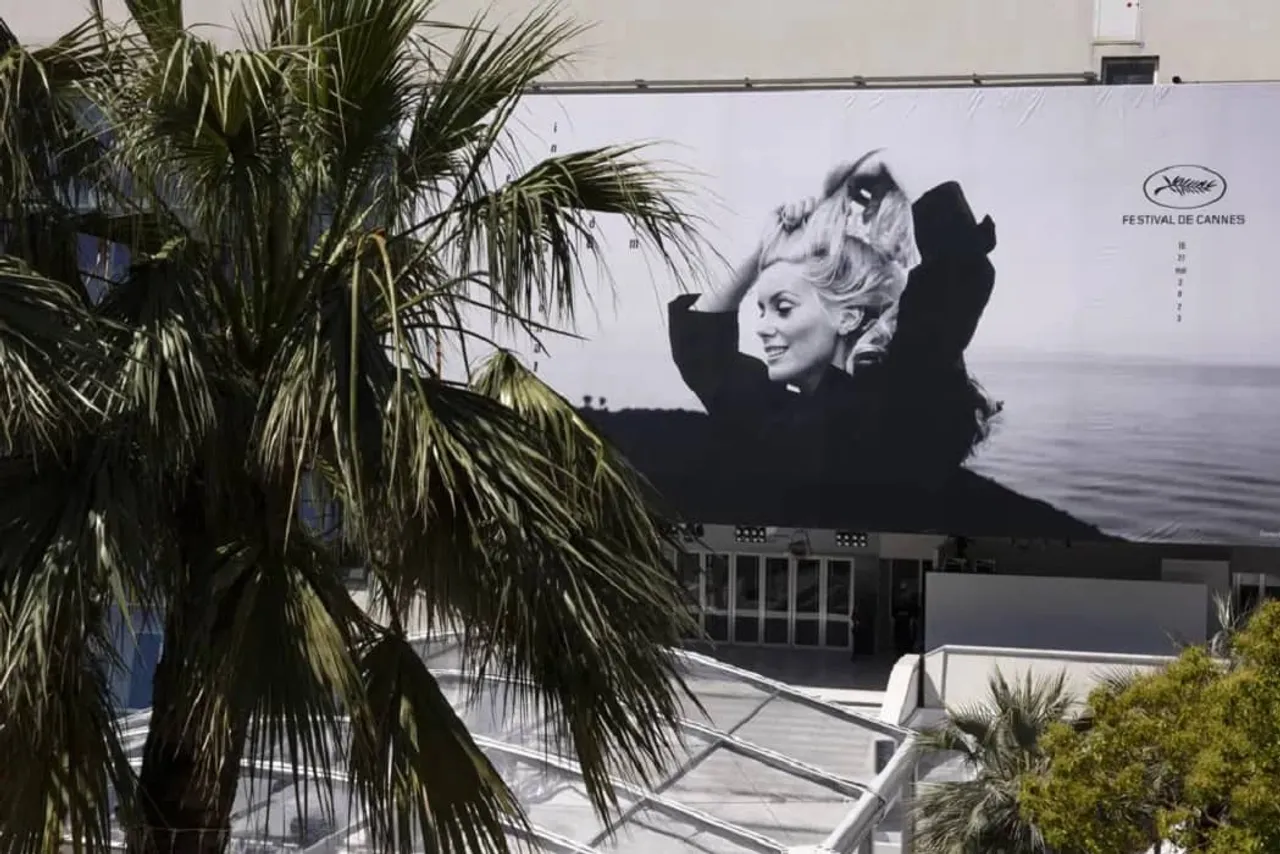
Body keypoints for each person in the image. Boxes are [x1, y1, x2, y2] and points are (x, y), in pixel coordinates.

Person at [667, 151, 1001, 490]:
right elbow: (703, 355)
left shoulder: (899, 403)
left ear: (848, 316)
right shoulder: (786, 417)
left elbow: (958, 272)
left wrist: (891, 164)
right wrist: (765, 246)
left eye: (783, 308)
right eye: (761, 309)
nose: (763, 327)